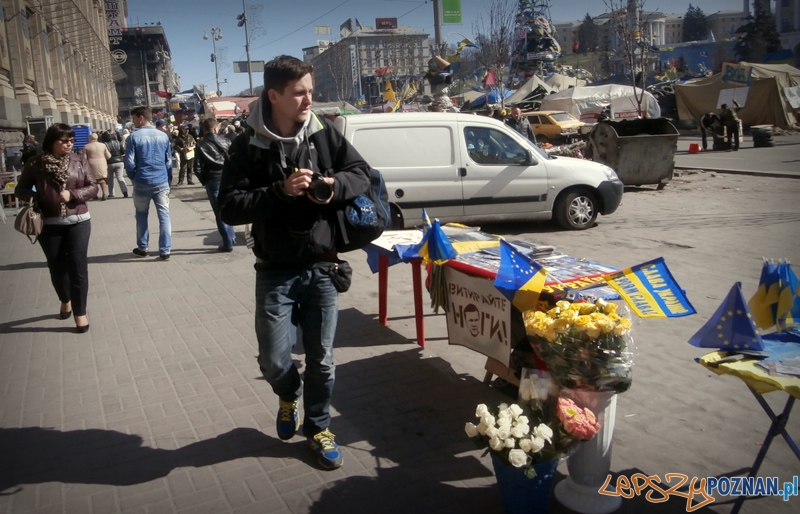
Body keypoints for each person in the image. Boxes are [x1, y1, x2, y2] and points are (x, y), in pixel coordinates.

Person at [218, 55, 371, 471]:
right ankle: (289, 392)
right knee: (273, 360)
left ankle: (319, 428)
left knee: (322, 358)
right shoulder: (246, 144)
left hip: (323, 265)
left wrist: (331, 184)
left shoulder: (324, 133)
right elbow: (229, 207)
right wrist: (280, 192)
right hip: (274, 270)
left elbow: (364, 174)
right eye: (300, 92)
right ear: (274, 95)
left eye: (311, 90)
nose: (309, 100)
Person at [14, 123, 97, 333]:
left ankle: (80, 313)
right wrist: (36, 197)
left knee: (78, 268)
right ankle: (65, 299)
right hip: (48, 224)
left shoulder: (79, 160)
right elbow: (20, 189)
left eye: (71, 140)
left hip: (79, 221)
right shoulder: (35, 163)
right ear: (52, 141)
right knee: (57, 268)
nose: (69, 144)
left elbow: (93, 186)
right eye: (64, 141)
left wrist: (74, 195)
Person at [124, 106, 173, 260]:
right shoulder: (163, 136)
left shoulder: (133, 137)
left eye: (133, 119)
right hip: (161, 180)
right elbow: (169, 161)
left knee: (141, 215)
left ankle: (143, 247)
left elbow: (129, 163)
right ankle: (165, 250)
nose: (133, 122)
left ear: (140, 118)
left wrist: (134, 177)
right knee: (164, 215)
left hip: (142, 181)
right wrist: (168, 178)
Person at [193, 117, 235, 252]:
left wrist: (204, 181)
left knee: (219, 212)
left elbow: (197, 168)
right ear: (216, 128)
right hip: (228, 179)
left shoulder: (200, 145)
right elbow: (235, 160)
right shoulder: (226, 141)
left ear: (204, 129)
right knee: (230, 208)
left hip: (212, 180)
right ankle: (232, 236)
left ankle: (227, 242)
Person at [84, 132, 111, 200]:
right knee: (102, 179)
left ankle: (95, 195)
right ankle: (104, 194)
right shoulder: (103, 145)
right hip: (102, 163)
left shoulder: (86, 146)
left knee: (93, 180)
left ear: (90, 138)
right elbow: (108, 156)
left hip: (91, 164)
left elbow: (84, 158)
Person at [101, 131, 128, 198]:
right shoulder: (118, 143)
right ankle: (125, 191)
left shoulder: (105, 144)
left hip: (110, 162)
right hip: (120, 161)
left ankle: (111, 193)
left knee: (110, 178)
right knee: (120, 177)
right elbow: (123, 152)